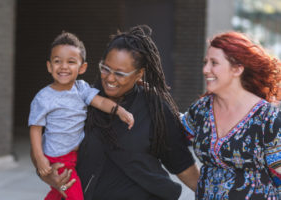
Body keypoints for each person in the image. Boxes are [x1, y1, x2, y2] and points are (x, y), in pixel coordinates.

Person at [32, 25, 200, 200]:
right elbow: (45, 145)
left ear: (139, 74)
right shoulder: (81, 100)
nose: (110, 78)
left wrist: (210, 194)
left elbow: (182, 164)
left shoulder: (155, 108)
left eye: (120, 73)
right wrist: (47, 174)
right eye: (105, 69)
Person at [28, 31, 134, 200]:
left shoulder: (81, 89)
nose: (63, 66)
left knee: (58, 191)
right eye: (57, 62)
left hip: (74, 155)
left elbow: (100, 102)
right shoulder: (43, 97)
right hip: (58, 157)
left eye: (71, 62)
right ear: (49, 66)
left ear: (82, 67)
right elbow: (35, 128)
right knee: (73, 194)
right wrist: (40, 158)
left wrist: (119, 110)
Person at [180, 31, 281, 199]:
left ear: (237, 69)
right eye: (205, 62)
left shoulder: (267, 118)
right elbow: (173, 133)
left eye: (214, 63)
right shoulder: (201, 109)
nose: (205, 70)